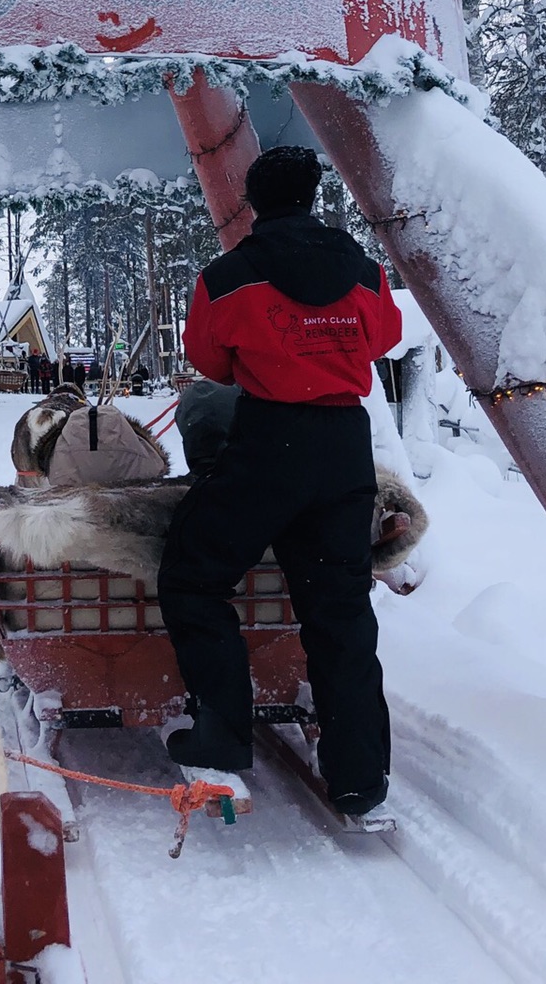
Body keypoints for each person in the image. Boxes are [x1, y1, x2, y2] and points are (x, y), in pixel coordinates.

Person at [156, 145, 401, 819]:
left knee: (193, 575)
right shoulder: (364, 274)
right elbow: (384, 339)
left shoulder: (229, 277)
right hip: (345, 447)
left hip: (269, 441)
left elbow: (209, 361)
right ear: (313, 196)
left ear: (255, 203)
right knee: (341, 614)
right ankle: (359, 778)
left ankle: (223, 734)